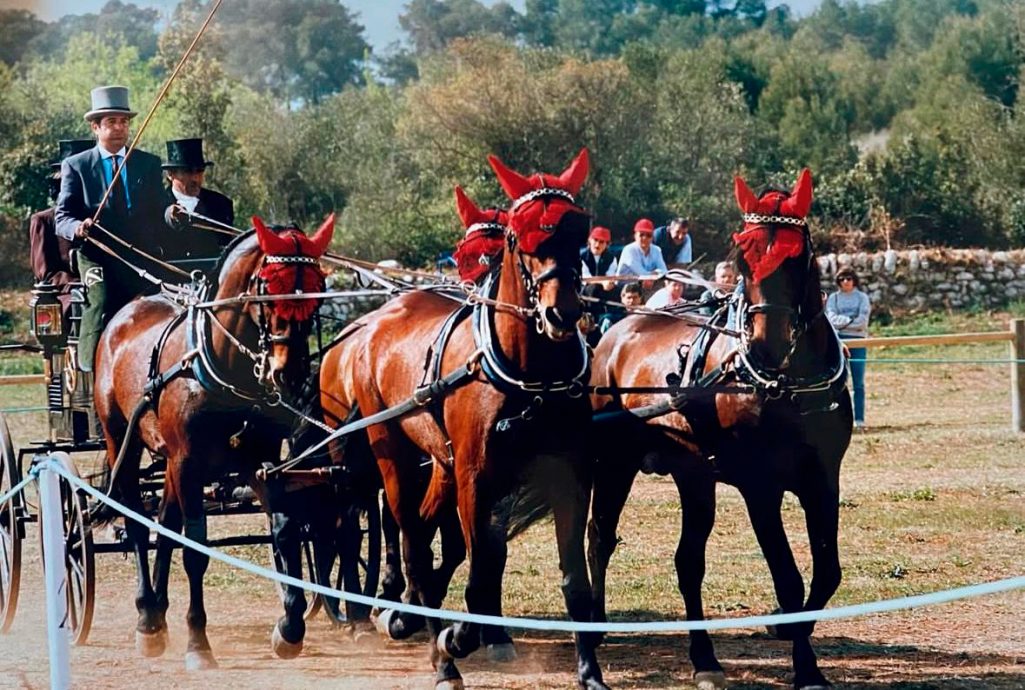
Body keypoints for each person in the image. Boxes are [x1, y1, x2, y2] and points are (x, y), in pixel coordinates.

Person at [55, 85, 167, 374]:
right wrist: (79, 227)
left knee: (157, 303)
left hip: (137, 254)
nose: (119, 128)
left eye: (124, 122)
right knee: (101, 298)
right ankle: (90, 371)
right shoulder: (77, 166)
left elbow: (162, 208)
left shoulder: (148, 164)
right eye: (111, 122)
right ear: (95, 127)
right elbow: (62, 217)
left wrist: (173, 213)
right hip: (95, 254)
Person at [29, 139, 95, 290]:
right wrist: (80, 284)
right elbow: (45, 273)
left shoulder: (102, 217)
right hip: (68, 294)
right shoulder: (44, 221)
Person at [162, 137, 235, 270]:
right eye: (187, 172)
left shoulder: (221, 204)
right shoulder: (155, 204)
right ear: (170, 174)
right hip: (168, 284)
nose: (195, 178)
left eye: (199, 171)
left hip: (211, 283)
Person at [826, 267, 871, 429]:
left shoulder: (862, 297)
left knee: (858, 383)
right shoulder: (834, 298)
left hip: (859, 342)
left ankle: (859, 420)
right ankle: (840, 421)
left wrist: (844, 323)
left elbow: (862, 322)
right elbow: (831, 320)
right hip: (839, 342)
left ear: (854, 280)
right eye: (842, 279)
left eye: (849, 278)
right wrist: (851, 320)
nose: (846, 282)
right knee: (837, 382)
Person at [616, 218, 666, 292]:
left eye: (648, 235)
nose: (645, 238)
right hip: (624, 288)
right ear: (635, 236)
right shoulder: (629, 250)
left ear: (652, 237)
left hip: (646, 283)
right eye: (641, 234)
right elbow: (641, 273)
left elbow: (664, 270)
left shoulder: (656, 250)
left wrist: (655, 274)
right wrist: (653, 275)